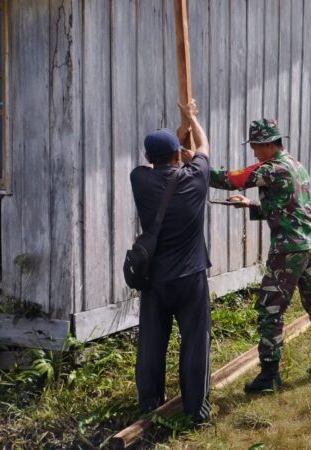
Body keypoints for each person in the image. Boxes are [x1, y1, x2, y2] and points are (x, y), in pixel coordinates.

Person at [210, 118, 311, 393]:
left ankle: (269, 376)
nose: (254, 151)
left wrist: (198, 169)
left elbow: (233, 179)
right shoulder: (296, 166)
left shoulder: (272, 168)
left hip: (288, 250)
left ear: (268, 144)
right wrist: (251, 204)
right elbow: (288, 207)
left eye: (256, 146)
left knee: (270, 310)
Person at [130, 100, 211, 423]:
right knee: (194, 342)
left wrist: (176, 141)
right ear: (179, 154)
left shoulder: (140, 180)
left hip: (156, 279)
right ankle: (197, 410)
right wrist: (192, 118)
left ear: (149, 158)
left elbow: (157, 162)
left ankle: (150, 401)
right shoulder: (196, 178)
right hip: (191, 276)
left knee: (151, 342)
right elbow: (204, 146)